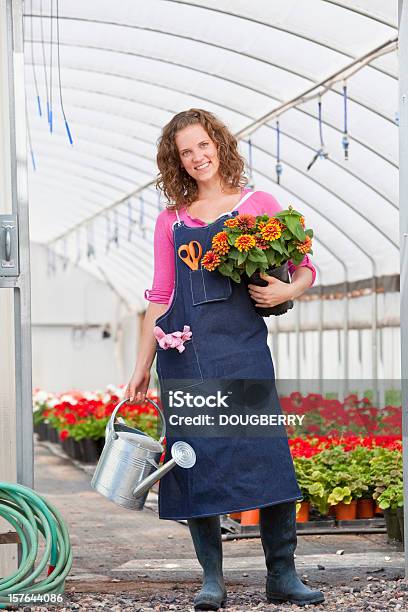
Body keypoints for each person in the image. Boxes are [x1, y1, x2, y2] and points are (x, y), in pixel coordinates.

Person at [126, 109, 324, 610]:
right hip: (186, 356)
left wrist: (285, 289)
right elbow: (160, 294)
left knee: (268, 459)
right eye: (185, 152)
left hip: (242, 350)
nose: (196, 158)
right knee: (196, 461)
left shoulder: (258, 204)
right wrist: (141, 365)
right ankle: (212, 579)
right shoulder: (170, 220)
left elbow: (305, 267)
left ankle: (283, 575)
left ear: (219, 143)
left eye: (202, 145)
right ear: (176, 161)